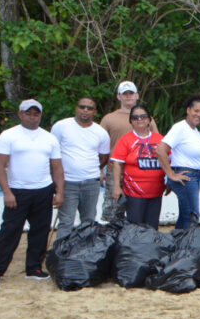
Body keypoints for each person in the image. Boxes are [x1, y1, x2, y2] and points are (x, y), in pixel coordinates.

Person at [0, 100, 64, 285]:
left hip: (43, 190)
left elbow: (57, 166)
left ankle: (34, 268)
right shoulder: (8, 136)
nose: (32, 116)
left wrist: (59, 191)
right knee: (10, 232)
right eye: (28, 113)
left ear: (40, 115)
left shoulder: (49, 138)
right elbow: (0, 166)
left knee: (40, 231)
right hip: (18, 190)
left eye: (36, 114)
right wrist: (7, 192)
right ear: (20, 114)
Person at [51, 97, 110, 240]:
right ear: (76, 108)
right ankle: (62, 254)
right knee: (66, 221)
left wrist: (93, 169)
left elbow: (103, 157)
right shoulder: (61, 126)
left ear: (94, 112)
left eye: (89, 108)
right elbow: (52, 153)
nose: (85, 110)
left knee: (88, 221)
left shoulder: (100, 132)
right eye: (82, 107)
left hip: (91, 182)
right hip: (67, 182)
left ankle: (85, 254)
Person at [157, 95, 200, 229]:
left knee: (187, 215)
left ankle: (179, 245)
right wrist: (171, 174)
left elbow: (194, 157)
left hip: (195, 176)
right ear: (188, 110)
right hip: (186, 176)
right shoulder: (180, 128)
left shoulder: (195, 131)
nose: (199, 115)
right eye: (196, 110)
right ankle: (184, 246)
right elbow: (161, 150)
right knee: (192, 216)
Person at [100, 80, 158, 222]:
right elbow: (99, 147)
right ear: (118, 97)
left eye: (131, 93)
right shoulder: (108, 119)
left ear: (137, 95)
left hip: (141, 174)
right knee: (113, 211)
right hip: (115, 171)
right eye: (124, 94)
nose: (128, 97)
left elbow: (158, 145)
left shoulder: (148, 119)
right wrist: (99, 169)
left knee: (138, 214)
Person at [110, 105, 165, 228]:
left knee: (152, 227)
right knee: (135, 228)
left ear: (149, 119)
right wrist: (116, 187)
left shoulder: (159, 138)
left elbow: (169, 161)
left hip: (156, 191)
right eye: (135, 117)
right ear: (131, 121)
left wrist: (171, 179)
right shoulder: (125, 139)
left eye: (143, 116)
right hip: (134, 192)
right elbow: (117, 164)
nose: (139, 119)